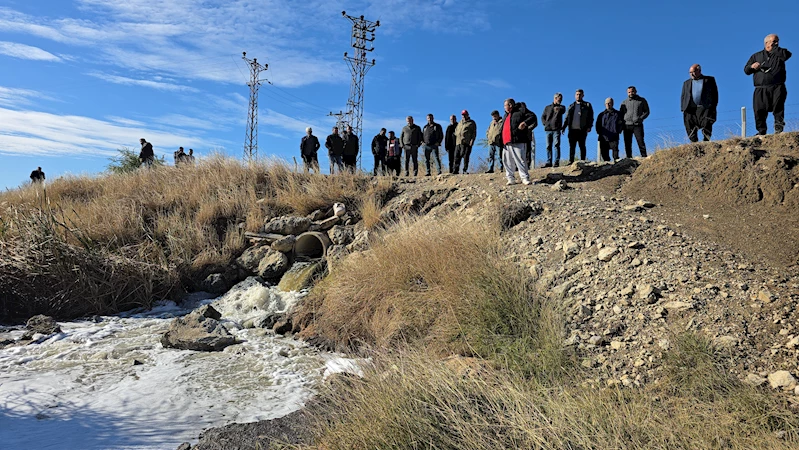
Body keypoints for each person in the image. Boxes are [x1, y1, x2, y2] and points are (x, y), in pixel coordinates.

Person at [744, 34, 792, 135]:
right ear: (766, 43)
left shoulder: (780, 52)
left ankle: (778, 130)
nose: (776, 43)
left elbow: (786, 56)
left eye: (777, 41)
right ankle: (761, 131)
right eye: (774, 41)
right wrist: (752, 67)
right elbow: (746, 70)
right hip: (760, 88)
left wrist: (774, 49)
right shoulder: (756, 56)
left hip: (778, 86)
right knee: (759, 110)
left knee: (778, 108)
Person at [500, 98, 535, 186]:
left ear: (510, 105)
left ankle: (524, 178)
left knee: (520, 160)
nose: (504, 107)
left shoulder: (520, 111)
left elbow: (533, 117)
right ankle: (510, 178)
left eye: (505, 105)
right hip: (506, 142)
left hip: (518, 140)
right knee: (507, 161)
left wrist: (525, 123)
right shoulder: (505, 116)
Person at [681, 64, 719, 142]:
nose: (691, 74)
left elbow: (715, 94)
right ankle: (694, 143)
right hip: (690, 109)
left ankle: (706, 140)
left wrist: (713, 106)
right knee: (689, 125)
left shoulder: (709, 80)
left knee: (707, 123)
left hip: (705, 108)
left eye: (693, 72)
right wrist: (683, 107)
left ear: (699, 71)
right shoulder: (686, 83)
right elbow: (683, 95)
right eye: (690, 72)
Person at [563, 89, 594, 164]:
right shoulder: (571, 106)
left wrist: (589, 126)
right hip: (572, 129)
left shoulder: (587, 105)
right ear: (575, 95)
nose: (578, 96)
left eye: (580, 94)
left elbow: (591, 117)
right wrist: (563, 127)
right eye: (577, 94)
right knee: (572, 146)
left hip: (582, 129)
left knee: (582, 146)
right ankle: (571, 161)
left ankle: (583, 161)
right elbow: (567, 117)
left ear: (583, 95)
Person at [619, 86, 650, 158]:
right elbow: (621, 114)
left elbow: (647, 111)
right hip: (627, 125)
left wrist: (641, 118)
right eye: (629, 92)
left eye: (632, 91)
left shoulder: (642, 100)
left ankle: (644, 156)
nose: (631, 93)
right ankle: (629, 158)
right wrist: (622, 124)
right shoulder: (624, 102)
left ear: (635, 91)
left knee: (640, 141)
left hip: (637, 125)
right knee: (627, 143)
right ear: (627, 93)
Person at [542, 93, 566, 167]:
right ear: (555, 98)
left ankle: (556, 162)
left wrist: (558, 108)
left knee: (556, 145)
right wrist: (545, 124)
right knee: (548, 146)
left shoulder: (562, 107)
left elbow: (562, 110)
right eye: (559, 99)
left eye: (561, 99)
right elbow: (543, 116)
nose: (560, 101)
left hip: (556, 129)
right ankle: (549, 162)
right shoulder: (547, 107)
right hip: (548, 129)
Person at [596, 98, 624, 162]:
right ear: (604, 104)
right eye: (606, 103)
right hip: (603, 137)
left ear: (612, 104)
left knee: (615, 153)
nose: (608, 105)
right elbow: (598, 125)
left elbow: (621, 123)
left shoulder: (617, 114)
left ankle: (617, 165)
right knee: (604, 155)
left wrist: (618, 131)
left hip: (614, 136)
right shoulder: (601, 115)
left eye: (609, 103)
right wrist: (600, 133)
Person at [453, 110, 476, 174]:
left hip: (466, 142)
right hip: (458, 142)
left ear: (468, 115)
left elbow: (474, 133)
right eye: (462, 115)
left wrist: (472, 141)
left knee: (465, 157)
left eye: (465, 115)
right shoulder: (460, 122)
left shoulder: (471, 123)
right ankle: (455, 170)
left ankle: (465, 170)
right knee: (456, 157)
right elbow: (456, 131)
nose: (463, 116)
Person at [520, 102, 537, 169]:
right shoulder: (518, 115)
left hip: (527, 134)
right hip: (519, 136)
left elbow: (535, 123)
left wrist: (527, 128)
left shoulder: (530, 114)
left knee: (527, 150)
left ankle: (527, 165)